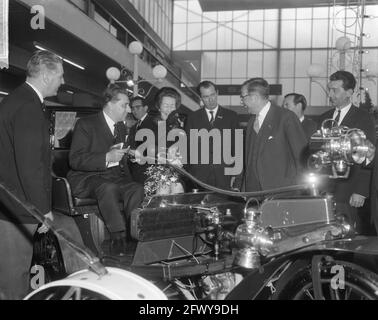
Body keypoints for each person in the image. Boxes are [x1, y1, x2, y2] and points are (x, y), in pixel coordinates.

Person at [0, 50, 64, 299]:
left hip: (9, 202)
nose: (62, 81)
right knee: (14, 277)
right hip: (17, 207)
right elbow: (30, 166)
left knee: (9, 273)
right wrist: (42, 209)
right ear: (47, 76)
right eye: (60, 75)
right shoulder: (28, 107)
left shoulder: (19, 100)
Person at [67, 85, 144, 255]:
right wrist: (106, 157)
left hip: (113, 177)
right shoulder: (85, 124)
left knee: (136, 189)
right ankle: (119, 237)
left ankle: (134, 236)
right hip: (88, 177)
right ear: (110, 104)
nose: (129, 109)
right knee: (107, 188)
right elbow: (75, 159)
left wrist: (131, 155)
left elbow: (122, 157)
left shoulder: (123, 128)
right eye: (125, 105)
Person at [318, 71, 376, 234]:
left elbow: (368, 156)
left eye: (335, 90)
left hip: (350, 189)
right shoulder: (324, 118)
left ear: (349, 93)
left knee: (347, 235)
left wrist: (361, 191)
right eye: (329, 89)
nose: (330, 94)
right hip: (324, 189)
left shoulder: (363, 118)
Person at [234, 78, 307, 192]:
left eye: (243, 97)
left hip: (281, 192)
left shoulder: (286, 118)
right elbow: (247, 160)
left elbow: (302, 157)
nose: (241, 102)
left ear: (254, 97)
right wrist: (240, 186)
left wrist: (300, 190)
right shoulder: (251, 122)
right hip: (253, 194)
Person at [185, 80, 239, 190]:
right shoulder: (192, 118)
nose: (210, 99)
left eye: (212, 95)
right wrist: (190, 172)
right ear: (200, 97)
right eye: (205, 96)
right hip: (199, 174)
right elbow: (188, 147)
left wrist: (236, 174)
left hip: (224, 174)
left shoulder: (231, 116)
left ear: (217, 93)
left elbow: (237, 147)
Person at [126, 97, 157, 183]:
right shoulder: (134, 127)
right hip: (136, 168)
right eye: (132, 108)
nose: (134, 111)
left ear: (146, 108)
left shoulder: (154, 123)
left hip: (149, 169)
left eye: (138, 107)